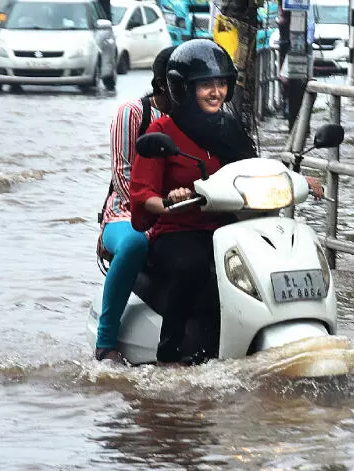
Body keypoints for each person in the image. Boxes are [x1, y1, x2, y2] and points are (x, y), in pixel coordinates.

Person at [129, 39, 259, 365]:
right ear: (184, 89)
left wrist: (294, 177)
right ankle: (169, 354)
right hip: (177, 230)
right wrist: (170, 198)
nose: (216, 92)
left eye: (221, 83)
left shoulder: (230, 129)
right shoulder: (162, 132)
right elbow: (143, 195)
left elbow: (253, 169)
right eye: (205, 85)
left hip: (227, 228)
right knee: (195, 267)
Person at [94, 46, 177, 363]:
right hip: (127, 213)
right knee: (133, 244)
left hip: (182, 214)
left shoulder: (200, 122)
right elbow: (123, 174)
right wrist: (157, 210)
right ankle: (105, 342)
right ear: (161, 84)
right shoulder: (133, 113)